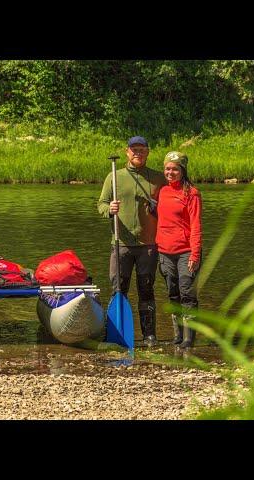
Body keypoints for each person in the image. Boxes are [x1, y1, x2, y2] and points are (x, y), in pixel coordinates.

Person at [98, 136, 167, 347]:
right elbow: (101, 204)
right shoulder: (114, 177)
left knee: (147, 289)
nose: (138, 153)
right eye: (134, 149)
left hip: (148, 245)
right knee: (119, 288)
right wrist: (108, 210)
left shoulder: (158, 179)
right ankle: (117, 332)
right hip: (122, 244)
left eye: (142, 149)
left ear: (148, 152)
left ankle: (149, 335)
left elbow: (169, 206)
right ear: (127, 152)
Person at [156, 151, 202, 350]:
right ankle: (177, 335)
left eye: (174, 169)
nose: (170, 172)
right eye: (167, 168)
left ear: (182, 170)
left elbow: (196, 226)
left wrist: (195, 254)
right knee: (173, 293)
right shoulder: (163, 192)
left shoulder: (191, 193)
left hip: (186, 252)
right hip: (165, 252)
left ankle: (189, 338)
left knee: (187, 293)